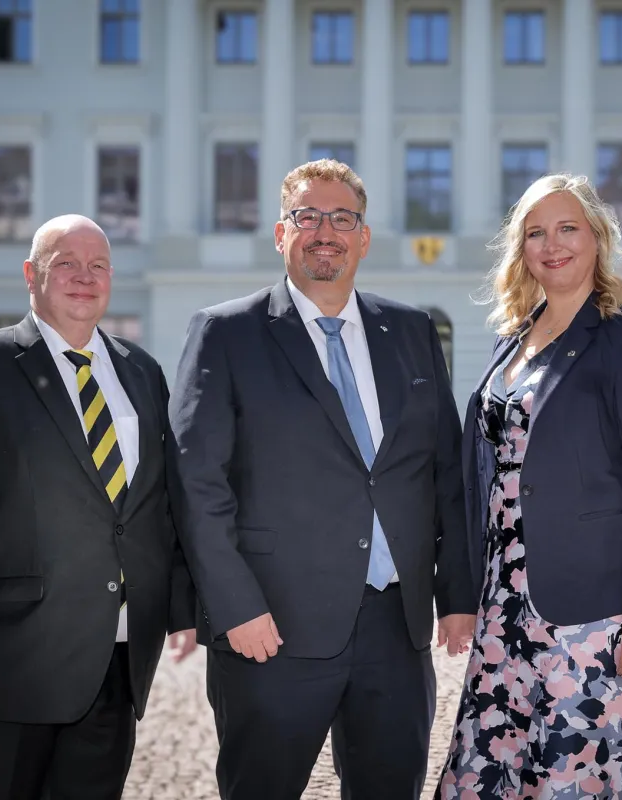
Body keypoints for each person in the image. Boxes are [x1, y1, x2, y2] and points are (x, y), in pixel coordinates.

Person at [168, 159, 476, 799]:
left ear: (364, 237)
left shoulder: (413, 331)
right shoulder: (226, 333)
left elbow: (444, 469)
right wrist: (236, 608)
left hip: (395, 630)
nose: (325, 232)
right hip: (271, 630)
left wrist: (456, 593)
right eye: (307, 217)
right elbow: (197, 485)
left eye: (342, 218)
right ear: (281, 233)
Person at [437, 174, 622, 798]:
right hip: (509, 601)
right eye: (536, 232)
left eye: (568, 228)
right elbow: (480, 474)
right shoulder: (511, 339)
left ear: (598, 237)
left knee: (591, 771)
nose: (553, 244)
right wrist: (462, 588)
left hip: (604, 608)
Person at [0, 214, 198, 800]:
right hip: (16, 643)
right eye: (66, 264)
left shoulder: (142, 371)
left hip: (119, 646)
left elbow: (161, 503)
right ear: (31, 275)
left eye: (98, 265)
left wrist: (179, 605)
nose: (85, 277)